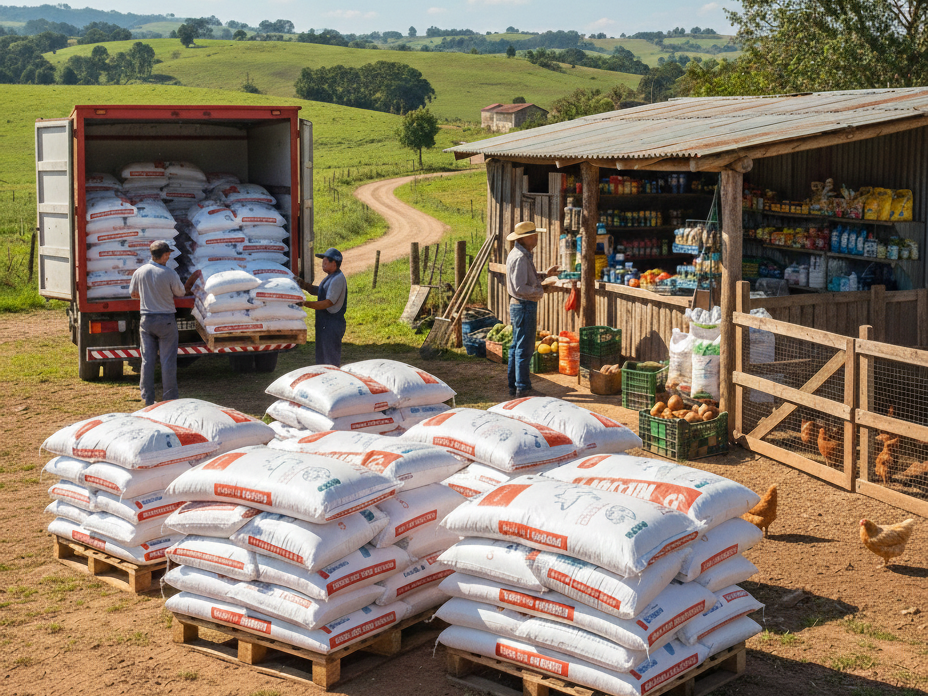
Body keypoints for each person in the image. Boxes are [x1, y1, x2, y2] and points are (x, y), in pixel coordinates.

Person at [129, 240, 200, 406]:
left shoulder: (139, 272)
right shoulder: (169, 273)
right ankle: (169, 399)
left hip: (146, 320)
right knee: (168, 361)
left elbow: (133, 294)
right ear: (165, 255)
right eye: (168, 253)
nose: (169, 256)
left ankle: (147, 398)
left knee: (147, 361)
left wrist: (148, 296)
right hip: (166, 320)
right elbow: (181, 293)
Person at [505, 221, 558, 397]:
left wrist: (545, 275)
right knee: (524, 348)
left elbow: (524, 280)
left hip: (519, 305)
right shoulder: (520, 257)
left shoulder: (520, 254)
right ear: (525, 238)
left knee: (516, 346)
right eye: (534, 236)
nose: (536, 239)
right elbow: (521, 287)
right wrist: (541, 289)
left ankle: (514, 385)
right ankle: (523, 387)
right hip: (524, 305)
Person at [302, 247, 348, 367]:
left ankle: (332, 382)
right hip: (324, 325)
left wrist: (305, 304)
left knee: (330, 359)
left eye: (326, 260)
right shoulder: (331, 277)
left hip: (332, 325)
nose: (323, 263)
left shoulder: (338, 279)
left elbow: (327, 303)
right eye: (323, 260)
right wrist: (305, 286)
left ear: (334, 263)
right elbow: (321, 291)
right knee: (322, 358)